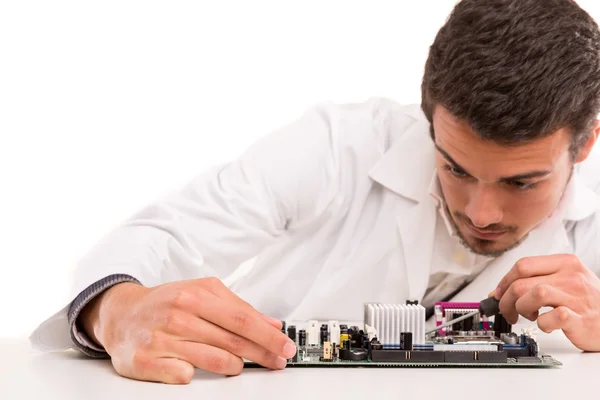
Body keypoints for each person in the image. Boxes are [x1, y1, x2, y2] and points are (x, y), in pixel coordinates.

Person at [31, 0, 600, 384]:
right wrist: (116, 308)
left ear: (584, 144)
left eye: (520, 182)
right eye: (453, 167)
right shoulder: (337, 147)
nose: (481, 211)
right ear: (430, 123)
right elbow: (159, 236)